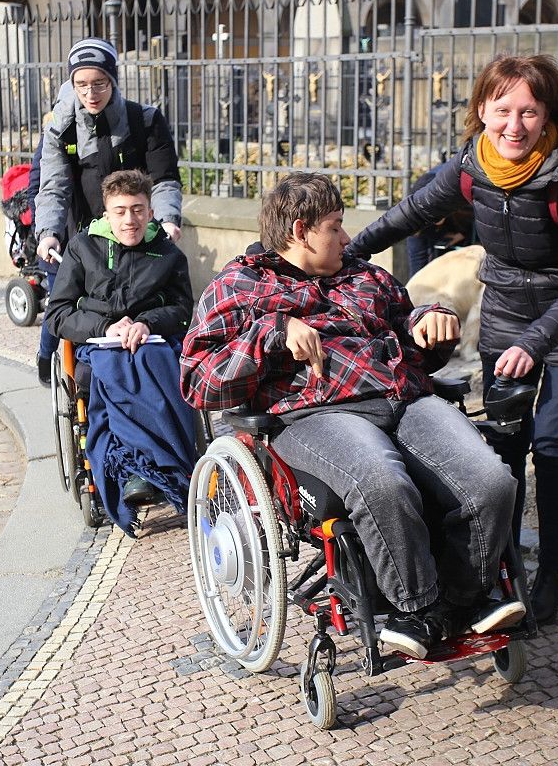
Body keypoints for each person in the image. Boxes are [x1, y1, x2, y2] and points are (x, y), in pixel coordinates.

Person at [181, 173, 524, 659]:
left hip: (405, 400)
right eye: (335, 226)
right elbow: (198, 382)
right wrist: (272, 334)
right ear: (301, 232)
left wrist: (429, 322)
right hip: (314, 414)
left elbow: (404, 324)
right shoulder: (238, 287)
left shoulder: (365, 276)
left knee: (492, 481)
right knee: (381, 482)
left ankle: (462, 600)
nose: (347, 238)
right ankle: (417, 607)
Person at [348, 54, 558, 624]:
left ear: (548, 115)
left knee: (553, 444)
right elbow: (412, 212)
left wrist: (535, 342)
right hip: (508, 310)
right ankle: (504, 568)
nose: (514, 126)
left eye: (528, 112)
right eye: (502, 111)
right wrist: (344, 255)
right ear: (481, 110)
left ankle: (551, 577)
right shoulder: (474, 161)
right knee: (504, 442)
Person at [46, 169, 196, 533]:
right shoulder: (82, 248)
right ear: (107, 214)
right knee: (112, 368)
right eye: (121, 211)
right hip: (100, 345)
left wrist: (147, 324)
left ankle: (157, 469)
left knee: (153, 362)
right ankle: (133, 468)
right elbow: (57, 314)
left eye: (138, 210)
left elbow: (182, 309)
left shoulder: (167, 254)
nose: (130, 219)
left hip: (153, 342)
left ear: (150, 211)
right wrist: (105, 327)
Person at [27, 37, 183, 384]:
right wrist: (48, 232)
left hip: (133, 228)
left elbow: (164, 179)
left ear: (113, 79)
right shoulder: (61, 128)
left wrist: (168, 219)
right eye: (81, 84)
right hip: (82, 235)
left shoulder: (144, 121)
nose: (91, 93)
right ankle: (47, 356)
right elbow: (53, 186)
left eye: (99, 83)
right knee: (65, 302)